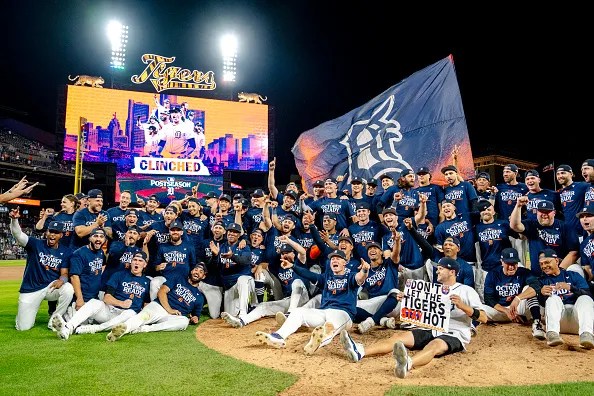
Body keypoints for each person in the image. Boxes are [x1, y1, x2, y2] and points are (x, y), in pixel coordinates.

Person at [339, 257, 487, 379]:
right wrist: (408, 299)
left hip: (455, 333)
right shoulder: (433, 290)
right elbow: (423, 309)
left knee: (435, 346)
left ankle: (408, 363)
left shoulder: (466, 291)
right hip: (433, 328)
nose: (437, 270)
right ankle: (360, 351)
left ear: (452, 272)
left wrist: (463, 306)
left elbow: (484, 318)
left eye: (441, 268)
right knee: (398, 337)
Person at [255, 249, 369, 355]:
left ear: (345, 262)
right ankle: (278, 336)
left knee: (330, 327)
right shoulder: (326, 278)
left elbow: (360, 278)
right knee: (298, 312)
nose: (334, 260)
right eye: (332, 259)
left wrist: (364, 270)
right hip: (324, 311)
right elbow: (310, 275)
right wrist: (293, 266)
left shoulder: (350, 276)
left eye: (338, 258)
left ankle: (316, 343)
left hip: (343, 314)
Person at [51, 252, 151, 339]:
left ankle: (94, 328)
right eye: (135, 260)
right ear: (131, 262)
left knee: (130, 313)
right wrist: (121, 303)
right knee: (95, 302)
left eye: (140, 261)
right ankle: (68, 328)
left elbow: (146, 305)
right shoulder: (119, 275)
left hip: (125, 317)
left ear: (145, 264)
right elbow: (106, 298)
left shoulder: (147, 282)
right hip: (110, 311)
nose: (137, 263)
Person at [9, 207, 74, 331]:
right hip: (31, 288)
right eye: (50, 231)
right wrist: (14, 220)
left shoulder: (66, 251)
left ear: (61, 235)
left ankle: (54, 320)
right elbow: (18, 235)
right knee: (23, 328)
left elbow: (64, 273)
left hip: (50, 288)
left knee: (68, 289)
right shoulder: (36, 244)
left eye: (55, 232)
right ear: (47, 232)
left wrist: (63, 280)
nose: (52, 235)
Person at [106, 263, 207, 341]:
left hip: (172, 317)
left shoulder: (200, 297)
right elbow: (162, 292)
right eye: (195, 269)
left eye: (200, 271)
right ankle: (119, 331)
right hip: (159, 307)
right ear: (191, 271)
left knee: (184, 322)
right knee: (141, 317)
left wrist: (195, 318)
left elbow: (196, 315)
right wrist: (169, 309)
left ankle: (145, 329)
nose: (196, 272)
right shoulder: (178, 278)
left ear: (203, 276)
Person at [220, 241, 311, 328]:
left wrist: (289, 241)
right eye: (283, 253)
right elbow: (264, 265)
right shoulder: (278, 267)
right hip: (289, 300)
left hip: (304, 298)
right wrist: (259, 266)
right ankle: (242, 321)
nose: (285, 255)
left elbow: (302, 252)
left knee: (297, 282)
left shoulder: (299, 263)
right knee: (263, 306)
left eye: (288, 252)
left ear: (294, 254)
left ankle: (290, 313)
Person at [481, 247, 545, 339]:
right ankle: (471, 328)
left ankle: (537, 323)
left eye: (514, 263)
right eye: (508, 263)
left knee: (529, 289)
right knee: (479, 308)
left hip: (518, 309)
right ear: (502, 262)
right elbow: (489, 299)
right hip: (500, 311)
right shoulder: (492, 274)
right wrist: (506, 311)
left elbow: (536, 286)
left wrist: (518, 298)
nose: (511, 267)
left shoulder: (524, 272)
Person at [535, 249, 594, 348]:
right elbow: (541, 306)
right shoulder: (541, 281)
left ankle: (587, 334)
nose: (544, 266)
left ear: (557, 261)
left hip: (578, 321)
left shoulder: (573, 276)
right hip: (559, 322)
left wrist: (570, 288)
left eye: (547, 262)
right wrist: (541, 294)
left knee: (585, 298)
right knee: (552, 298)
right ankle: (552, 335)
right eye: (541, 264)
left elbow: (588, 295)